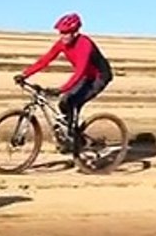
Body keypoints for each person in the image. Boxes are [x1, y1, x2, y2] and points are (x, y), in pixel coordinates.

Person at [15, 13, 113, 148]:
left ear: (75, 32)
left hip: (99, 77)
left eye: (66, 33)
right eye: (61, 32)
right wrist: (25, 74)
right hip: (86, 76)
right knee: (64, 104)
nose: (62, 36)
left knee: (72, 101)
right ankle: (69, 135)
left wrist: (61, 89)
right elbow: (45, 60)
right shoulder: (62, 44)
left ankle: (74, 140)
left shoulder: (85, 45)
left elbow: (80, 71)